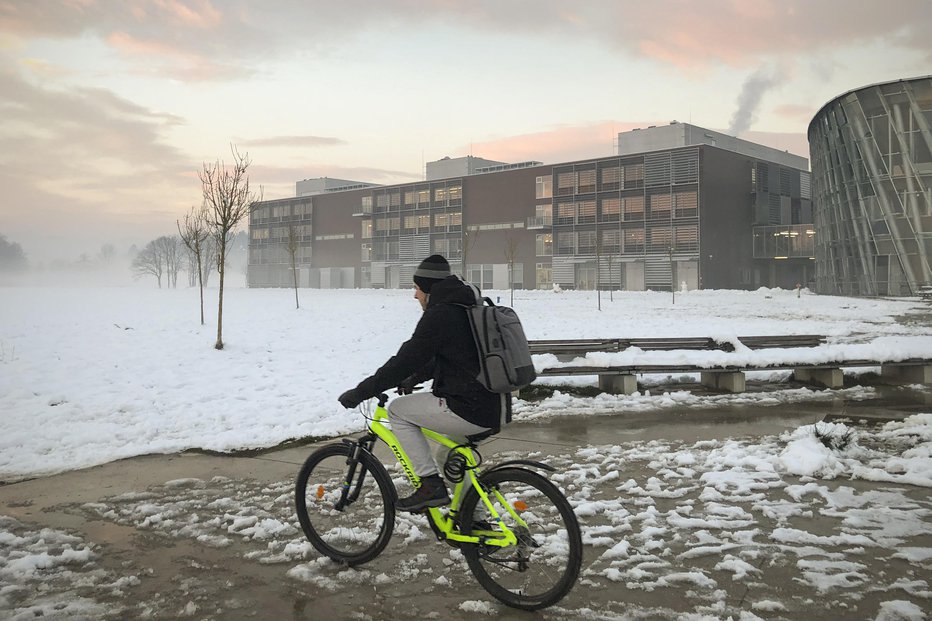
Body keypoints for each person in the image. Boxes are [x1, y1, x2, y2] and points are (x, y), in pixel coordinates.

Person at [338, 255, 511, 512]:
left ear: (429, 288)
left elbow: (404, 361)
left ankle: (430, 485)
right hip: (495, 405)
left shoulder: (440, 315)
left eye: (417, 288)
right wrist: (415, 378)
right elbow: (450, 358)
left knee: (398, 410)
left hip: (469, 407)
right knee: (446, 456)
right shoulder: (467, 308)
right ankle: (473, 521)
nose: (414, 295)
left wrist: (362, 391)